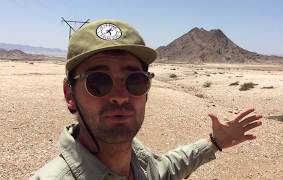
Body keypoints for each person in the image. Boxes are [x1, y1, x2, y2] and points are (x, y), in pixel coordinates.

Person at [31, 19, 262, 180]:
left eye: (135, 81)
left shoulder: (139, 162)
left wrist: (214, 143)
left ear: (147, 90)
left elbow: (168, 169)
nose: (120, 97)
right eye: (99, 82)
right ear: (69, 94)